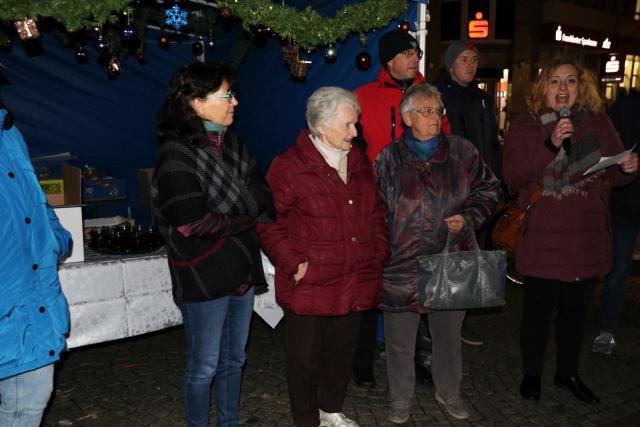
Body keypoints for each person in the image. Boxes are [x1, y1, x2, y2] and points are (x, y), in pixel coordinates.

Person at [502, 58, 638, 404]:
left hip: (586, 237)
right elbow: (514, 175)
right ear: (541, 88)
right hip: (544, 236)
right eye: (555, 82)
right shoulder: (526, 125)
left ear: (582, 87)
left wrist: (628, 167)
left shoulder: (597, 122)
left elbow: (617, 175)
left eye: (571, 81)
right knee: (537, 315)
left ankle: (567, 373)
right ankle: (532, 374)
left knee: (574, 318)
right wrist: (549, 144)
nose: (563, 89)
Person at [258, 87, 389, 427]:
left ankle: (330, 409)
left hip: (355, 275)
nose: (355, 132)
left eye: (355, 124)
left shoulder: (358, 160)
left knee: (342, 352)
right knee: (304, 359)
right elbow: (268, 222)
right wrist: (294, 262)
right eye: (348, 125)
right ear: (321, 125)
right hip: (310, 281)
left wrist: (378, 251)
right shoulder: (289, 166)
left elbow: (376, 212)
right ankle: (306, 419)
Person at [151, 62, 273, 427]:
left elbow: (264, 196)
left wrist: (234, 211)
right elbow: (192, 222)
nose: (235, 101)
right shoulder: (176, 154)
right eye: (226, 95)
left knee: (235, 360)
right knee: (204, 366)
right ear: (196, 103)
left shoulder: (235, 145)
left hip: (240, 270)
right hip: (201, 271)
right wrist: (246, 215)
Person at [374, 83, 500, 423]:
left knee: (447, 338)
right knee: (399, 343)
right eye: (427, 111)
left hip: (449, 258)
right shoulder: (388, 158)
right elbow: (375, 211)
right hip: (401, 264)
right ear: (407, 117)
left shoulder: (462, 151)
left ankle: (450, 393)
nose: (435, 117)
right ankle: (400, 399)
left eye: (438, 111)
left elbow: (489, 189)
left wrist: (471, 217)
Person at [352, 28, 431, 389]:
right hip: (378, 206)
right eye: (408, 52)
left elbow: (443, 142)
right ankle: (362, 360)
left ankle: (416, 359)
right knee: (371, 283)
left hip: (420, 207)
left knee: (415, 287)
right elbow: (353, 151)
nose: (415, 57)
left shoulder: (429, 96)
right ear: (390, 60)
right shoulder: (364, 97)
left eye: (416, 51)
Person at [0, 105, 72, 425]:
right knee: (22, 407)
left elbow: (36, 198)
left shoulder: (9, 131)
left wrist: (57, 240)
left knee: (30, 401)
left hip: (29, 302)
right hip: (9, 302)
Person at [592, 89, 640, 355]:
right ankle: (607, 328)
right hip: (627, 202)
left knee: (619, 269)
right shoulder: (627, 106)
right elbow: (606, 145)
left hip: (626, 200)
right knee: (618, 269)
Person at [433, 41, 500, 177]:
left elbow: (493, 140)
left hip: (485, 179)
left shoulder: (483, 98)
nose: (470, 65)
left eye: (474, 60)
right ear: (451, 66)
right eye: (464, 60)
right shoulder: (438, 98)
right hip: (456, 180)